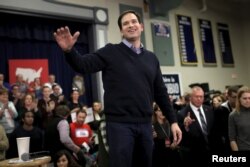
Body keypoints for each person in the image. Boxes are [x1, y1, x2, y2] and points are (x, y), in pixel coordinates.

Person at [53, 10, 182, 167]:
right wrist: (69, 51)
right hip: (119, 125)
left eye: (134, 22)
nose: (130, 25)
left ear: (141, 26)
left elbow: (161, 93)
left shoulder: (151, 58)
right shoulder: (111, 52)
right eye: (125, 23)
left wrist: (173, 121)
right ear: (121, 30)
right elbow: (82, 64)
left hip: (145, 125)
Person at [178, 86, 214, 166]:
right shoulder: (182, 114)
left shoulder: (209, 110)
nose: (199, 99)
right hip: (194, 155)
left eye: (201, 97)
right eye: (196, 96)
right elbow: (180, 137)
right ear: (190, 97)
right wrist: (185, 126)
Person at [228, 86, 250, 151]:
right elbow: (232, 139)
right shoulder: (233, 115)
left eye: (249, 98)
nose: (248, 100)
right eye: (245, 98)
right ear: (239, 99)